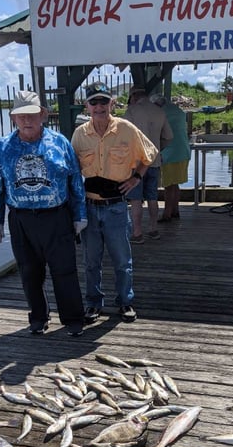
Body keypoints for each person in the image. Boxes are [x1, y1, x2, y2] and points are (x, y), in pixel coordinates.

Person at [0, 90, 87, 337]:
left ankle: (73, 318)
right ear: (13, 118)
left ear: (42, 114)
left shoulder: (60, 142)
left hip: (57, 216)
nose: (27, 120)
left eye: (32, 114)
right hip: (21, 219)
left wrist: (80, 214)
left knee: (65, 270)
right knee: (29, 272)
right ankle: (38, 317)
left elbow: (75, 180)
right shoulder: (2, 147)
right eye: (21, 116)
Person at [71, 82, 158, 324]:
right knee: (91, 261)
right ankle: (93, 303)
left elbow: (150, 154)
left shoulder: (127, 129)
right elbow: (72, 170)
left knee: (122, 260)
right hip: (89, 205)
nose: (99, 106)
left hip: (117, 207)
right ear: (87, 106)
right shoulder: (79, 134)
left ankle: (125, 301)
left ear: (112, 103)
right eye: (93, 102)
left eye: (103, 101)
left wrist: (136, 178)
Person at [123, 86, 173, 243]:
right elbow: (169, 136)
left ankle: (137, 233)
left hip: (135, 163)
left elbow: (123, 137)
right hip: (154, 161)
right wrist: (157, 150)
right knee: (152, 196)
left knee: (135, 199)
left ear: (133, 97)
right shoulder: (160, 111)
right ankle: (153, 229)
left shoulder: (131, 111)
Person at [150, 94, 191, 222]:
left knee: (168, 186)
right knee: (175, 184)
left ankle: (167, 214)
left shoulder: (161, 114)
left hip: (170, 153)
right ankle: (175, 210)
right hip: (184, 151)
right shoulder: (178, 111)